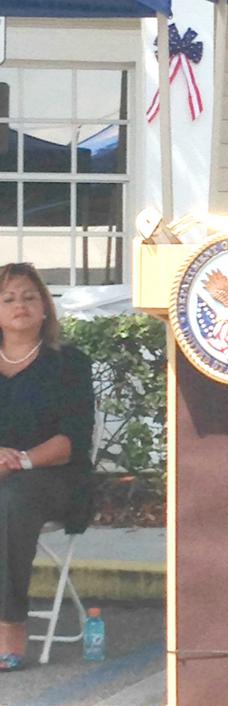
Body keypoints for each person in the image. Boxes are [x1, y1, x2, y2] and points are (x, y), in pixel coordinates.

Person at [0, 262, 95, 671]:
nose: (19, 305)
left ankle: (9, 625)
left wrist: (18, 461)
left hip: (55, 479)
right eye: (7, 298)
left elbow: (71, 441)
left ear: (44, 307)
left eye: (28, 296)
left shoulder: (68, 363)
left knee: (10, 499)